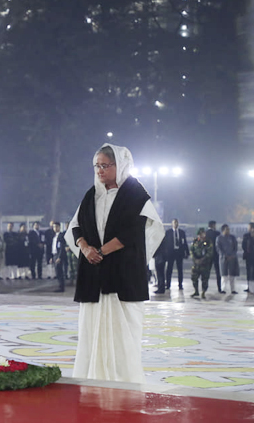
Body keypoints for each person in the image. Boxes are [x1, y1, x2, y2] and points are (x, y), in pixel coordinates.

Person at [65, 143, 164, 384]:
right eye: (97, 166)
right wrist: (85, 248)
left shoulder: (134, 193)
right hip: (94, 276)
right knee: (91, 330)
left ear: (119, 165)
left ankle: (124, 381)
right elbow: (76, 226)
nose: (100, 170)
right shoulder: (92, 195)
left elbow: (134, 230)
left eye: (105, 165)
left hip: (123, 275)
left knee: (124, 331)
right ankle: (91, 378)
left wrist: (101, 251)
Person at [164, 219, 189, 291]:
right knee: (169, 269)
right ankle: (168, 284)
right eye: (174, 223)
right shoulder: (168, 232)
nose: (175, 224)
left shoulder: (182, 232)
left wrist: (187, 252)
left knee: (180, 269)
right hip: (171, 253)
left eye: (176, 223)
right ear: (172, 224)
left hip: (179, 252)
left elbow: (185, 243)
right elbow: (165, 243)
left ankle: (180, 284)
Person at [190, 228, 214, 299]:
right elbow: (191, 251)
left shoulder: (208, 242)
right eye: (199, 234)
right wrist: (195, 259)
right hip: (196, 264)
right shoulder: (195, 242)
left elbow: (210, 252)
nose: (201, 236)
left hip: (205, 264)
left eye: (202, 234)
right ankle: (196, 291)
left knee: (205, 279)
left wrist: (202, 259)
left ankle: (203, 292)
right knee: (194, 277)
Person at [216, 224, 239, 294]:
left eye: (229, 229)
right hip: (223, 259)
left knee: (232, 275)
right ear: (223, 230)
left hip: (232, 258)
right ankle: (223, 289)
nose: (228, 231)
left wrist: (232, 255)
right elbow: (218, 248)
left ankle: (233, 289)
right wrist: (224, 255)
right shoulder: (219, 238)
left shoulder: (232, 238)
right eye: (227, 229)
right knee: (224, 275)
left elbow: (235, 247)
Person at [205, 221, 222, 293]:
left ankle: (204, 287)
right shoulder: (217, 233)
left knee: (207, 272)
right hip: (216, 255)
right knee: (218, 272)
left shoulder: (205, 233)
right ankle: (219, 288)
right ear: (213, 225)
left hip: (208, 255)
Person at [51, 222, 67, 292]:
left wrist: (59, 257)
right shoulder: (54, 236)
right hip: (54, 254)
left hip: (58, 255)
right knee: (57, 271)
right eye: (54, 227)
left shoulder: (61, 235)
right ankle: (60, 285)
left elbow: (62, 247)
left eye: (56, 227)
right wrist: (52, 257)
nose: (55, 228)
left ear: (59, 227)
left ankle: (61, 287)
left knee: (59, 271)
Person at [241, 222, 254, 292]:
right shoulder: (246, 235)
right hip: (248, 256)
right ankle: (249, 286)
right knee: (249, 271)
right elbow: (243, 245)